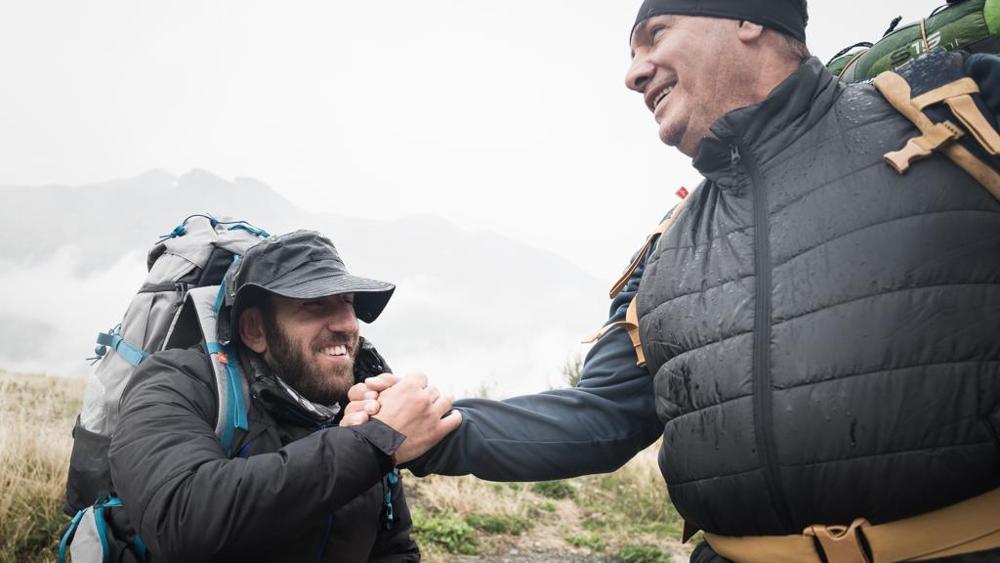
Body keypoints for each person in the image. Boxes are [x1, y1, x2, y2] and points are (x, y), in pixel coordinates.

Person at [346, 1, 1000, 561]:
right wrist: (433, 430)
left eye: (654, 34)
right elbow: (600, 417)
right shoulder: (668, 248)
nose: (632, 74)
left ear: (746, 18)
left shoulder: (954, 115)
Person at [108, 230, 461, 562]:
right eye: (315, 305)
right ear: (255, 330)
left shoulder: (358, 405)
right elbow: (183, 521)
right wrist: (375, 442)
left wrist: (374, 439)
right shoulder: (177, 383)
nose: (348, 323)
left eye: (348, 303)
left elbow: (393, 547)